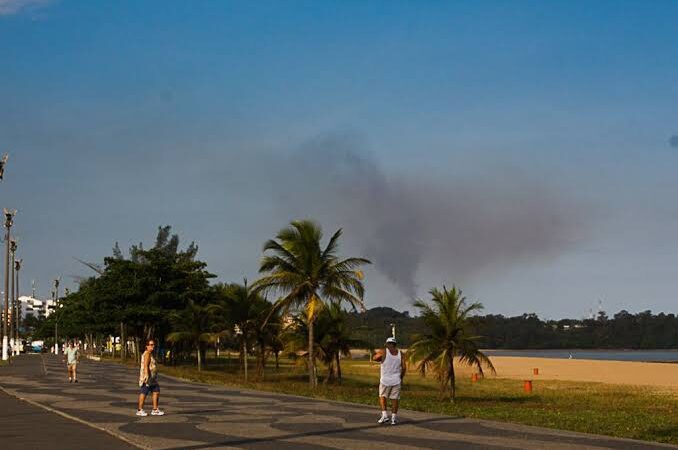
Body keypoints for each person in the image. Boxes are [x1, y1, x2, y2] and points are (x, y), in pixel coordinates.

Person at [374, 337, 406, 425]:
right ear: (395, 344)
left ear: (387, 343)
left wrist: (380, 357)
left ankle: (384, 415)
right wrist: (401, 377)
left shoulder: (384, 351)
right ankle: (393, 419)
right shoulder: (401, 353)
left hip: (385, 380)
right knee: (395, 399)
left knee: (382, 396)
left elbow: (375, 358)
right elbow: (404, 368)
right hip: (396, 380)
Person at [137, 338, 164, 417]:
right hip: (147, 377)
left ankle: (155, 410)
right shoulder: (147, 354)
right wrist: (146, 375)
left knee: (156, 390)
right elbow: (145, 365)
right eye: (151, 345)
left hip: (152, 378)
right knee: (144, 392)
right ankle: (139, 410)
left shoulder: (150, 354)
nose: (153, 346)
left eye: (153, 344)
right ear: (147, 346)